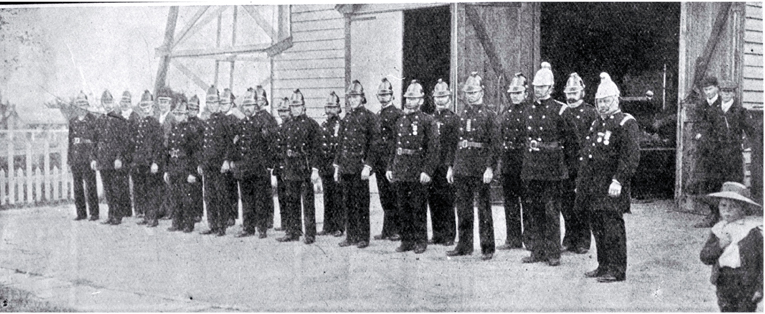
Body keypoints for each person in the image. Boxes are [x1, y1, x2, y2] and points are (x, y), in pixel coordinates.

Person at [578, 72, 640, 283]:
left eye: (606, 101)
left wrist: (619, 180)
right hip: (595, 186)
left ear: (616, 100)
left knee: (613, 227)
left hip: (612, 185)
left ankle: (617, 269)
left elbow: (630, 157)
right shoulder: (597, 124)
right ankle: (603, 265)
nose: (603, 105)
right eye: (599, 101)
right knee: (598, 226)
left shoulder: (625, 123)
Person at [520, 63, 578, 266]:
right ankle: (537, 250)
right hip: (533, 167)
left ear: (551, 88)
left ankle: (553, 253)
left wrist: (570, 170)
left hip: (553, 168)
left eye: (542, 87)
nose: (538, 90)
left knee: (551, 211)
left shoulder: (561, 110)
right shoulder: (529, 109)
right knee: (534, 210)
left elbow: (572, 143)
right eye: (536, 87)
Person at [445, 72, 498, 261]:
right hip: (462, 166)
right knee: (463, 209)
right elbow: (454, 144)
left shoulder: (490, 116)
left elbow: (494, 145)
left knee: (484, 209)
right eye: (468, 93)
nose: (470, 96)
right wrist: (451, 166)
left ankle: (487, 247)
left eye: (474, 92)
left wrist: (490, 168)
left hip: (480, 168)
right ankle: (464, 245)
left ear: (482, 92)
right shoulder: (462, 115)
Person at [693, 78, 757, 228]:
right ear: (719, 92)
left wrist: (743, 144)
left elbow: (752, 132)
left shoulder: (740, 111)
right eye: (723, 92)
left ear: (734, 94)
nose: (726, 95)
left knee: (733, 185)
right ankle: (714, 215)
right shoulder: (714, 111)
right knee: (714, 184)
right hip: (715, 155)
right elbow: (706, 130)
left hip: (732, 155)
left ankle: (734, 217)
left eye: (729, 92)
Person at [386, 80, 439, 254]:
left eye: (413, 98)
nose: (409, 101)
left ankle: (420, 241)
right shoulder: (399, 120)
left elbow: (433, 149)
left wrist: (427, 170)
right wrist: (389, 167)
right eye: (408, 98)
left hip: (417, 169)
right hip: (401, 167)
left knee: (418, 207)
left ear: (421, 100)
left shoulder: (427, 120)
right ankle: (406, 240)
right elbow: (394, 146)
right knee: (402, 207)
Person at [700, 181, 763, 312]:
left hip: (746, 282)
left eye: (733, 206)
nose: (727, 210)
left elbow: (762, 262)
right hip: (724, 280)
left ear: (743, 209)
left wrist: (760, 287)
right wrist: (719, 245)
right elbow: (705, 257)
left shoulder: (752, 232)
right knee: (726, 309)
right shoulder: (717, 230)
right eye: (723, 205)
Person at [335, 80, 381, 249]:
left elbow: (374, 144)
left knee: (361, 204)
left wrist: (368, 166)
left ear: (362, 98)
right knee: (347, 202)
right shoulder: (346, 118)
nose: (352, 100)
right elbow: (340, 143)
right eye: (350, 97)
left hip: (360, 167)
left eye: (356, 97)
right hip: (346, 166)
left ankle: (363, 237)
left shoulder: (369, 117)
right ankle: (351, 236)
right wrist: (337, 166)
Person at [277, 89, 322, 244]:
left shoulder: (311, 125)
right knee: (291, 201)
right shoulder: (286, 126)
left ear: (304, 106)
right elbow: (282, 148)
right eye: (293, 106)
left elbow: (317, 150)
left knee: (307, 202)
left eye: (298, 106)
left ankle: (310, 234)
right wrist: (283, 167)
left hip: (305, 168)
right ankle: (293, 232)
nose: (295, 109)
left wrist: (315, 170)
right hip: (290, 168)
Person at [231, 87, 277, 239]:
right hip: (244, 168)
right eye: (245, 106)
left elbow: (270, 144)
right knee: (246, 199)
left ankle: (262, 228)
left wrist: (269, 164)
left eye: (250, 106)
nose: (247, 108)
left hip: (259, 168)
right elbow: (236, 145)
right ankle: (248, 227)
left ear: (256, 107)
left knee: (260, 199)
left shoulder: (262, 121)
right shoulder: (242, 124)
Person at [560, 73, 599, 254]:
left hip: (583, 164)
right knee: (566, 204)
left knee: (582, 203)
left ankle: (584, 239)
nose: (571, 95)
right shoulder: (561, 111)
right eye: (569, 91)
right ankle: (569, 237)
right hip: (564, 164)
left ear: (583, 92)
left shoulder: (591, 112)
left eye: (575, 91)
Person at [494, 73, 531, 250]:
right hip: (509, 162)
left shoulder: (531, 112)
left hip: (524, 162)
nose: (515, 96)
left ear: (526, 93)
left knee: (528, 201)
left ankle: (529, 238)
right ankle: (513, 238)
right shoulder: (505, 113)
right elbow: (500, 138)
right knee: (510, 202)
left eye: (518, 92)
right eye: (512, 93)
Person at [198, 85, 235, 236]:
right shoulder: (207, 121)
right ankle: (212, 224)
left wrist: (226, 160)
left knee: (221, 196)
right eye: (209, 103)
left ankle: (221, 226)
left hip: (220, 165)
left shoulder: (224, 120)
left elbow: (230, 143)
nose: (212, 106)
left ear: (219, 104)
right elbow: (203, 145)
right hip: (208, 165)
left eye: (214, 103)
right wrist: (201, 163)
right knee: (209, 196)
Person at [92, 89, 133, 225]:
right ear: (102, 104)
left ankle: (117, 215)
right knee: (107, 189)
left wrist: (119, 158)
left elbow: (124, 142)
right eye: (105, 102)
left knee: (116, 189)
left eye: (110, 102)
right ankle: (110, 215)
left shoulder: (119, 120)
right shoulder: (99, 120)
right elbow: (95, 141)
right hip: (103, 160)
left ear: (113, 103)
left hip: (114, 161)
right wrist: (94, 158)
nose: (108, 105)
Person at [165, 96, 203, 233]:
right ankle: (176, 222)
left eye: (180, 114)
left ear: (186, 114)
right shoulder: (173, 130)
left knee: (187, 198)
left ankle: (188, 224)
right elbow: (168, 152)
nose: (178, 116)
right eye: (176, 114)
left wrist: (192, 173)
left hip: (186, 169)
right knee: (175, 197)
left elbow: (195, 154)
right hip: (174, 167)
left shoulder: (191, 130)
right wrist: (167, 170)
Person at [428, 79, 459, 246]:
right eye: (437, 97)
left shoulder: (454, 120)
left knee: (447, 200)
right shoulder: (429, 119)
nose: (440, 100)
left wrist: (451, 166)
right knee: (433, 200)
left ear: (449, 98)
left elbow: (455, 146)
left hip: (446, 166)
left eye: (443, 96)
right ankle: (437, 234)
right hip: (432, 166)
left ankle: (449, 235)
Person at [374, 78, 403, 242]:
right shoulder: (378, 114)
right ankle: (387, 230)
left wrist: (392, 163)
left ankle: (397, 230)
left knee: (393, 197)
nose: (383, 97)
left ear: (392, 95)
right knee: (384, 196)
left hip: (391, 162)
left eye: (386, 94)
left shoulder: (397, 114)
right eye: (381, 95)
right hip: (379, 162)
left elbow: (397, 140)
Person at [132, 90, 165, 228]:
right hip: (142, 163)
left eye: (148, 106)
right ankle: (147, 216)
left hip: (151, 163)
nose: (145, 109)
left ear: (152, 107)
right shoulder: (142, 123)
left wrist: (156, 162)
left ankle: (153, 218)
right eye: (143, 106)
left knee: (152, 191)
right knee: (144, 190)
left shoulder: (155, 124)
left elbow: (159, 145)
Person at [69, 91, 100, 221]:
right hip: (76, 158)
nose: (81, 106)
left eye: (84, 103)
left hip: (88, 157)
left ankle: (94, 213)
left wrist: (94, 158)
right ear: (76, 105)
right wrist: (69, 159)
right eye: (79, 103)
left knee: (91, 185)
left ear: (87, 105)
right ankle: (81, 213)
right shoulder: (73, 121)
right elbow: (70, 141)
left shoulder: (93, 120)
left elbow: (96, 141)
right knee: (77, 186)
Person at [318, 91, 345, 237]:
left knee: (338, 197)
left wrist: (338, 166)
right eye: (327, 107)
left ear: (338, 108)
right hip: (325, 165)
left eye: (332, 107)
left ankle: (339, 227)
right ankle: (327, 226)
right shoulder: (323, 125)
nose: (329, 110)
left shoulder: (341, 124)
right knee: (327, 196)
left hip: (336, 165)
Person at [220, 88, 241, 227]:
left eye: (225, 102)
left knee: (230, 188)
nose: (222, 105)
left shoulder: (234, 120)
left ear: (232, 104)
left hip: (229, 159)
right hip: (219, 158)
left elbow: (235, 142)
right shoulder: (219, 118)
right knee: (222, 188)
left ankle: (231, 216)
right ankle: (224, 214)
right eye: (221, 102)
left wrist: (230, 159)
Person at [157, 87, 177, 221]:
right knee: (160, 182)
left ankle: (170, 211)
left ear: (170, 104)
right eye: (161, 101)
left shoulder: (172, 118)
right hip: (158, 154)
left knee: (168, 182)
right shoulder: (157, 117)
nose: (163, 104)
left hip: (168, 153)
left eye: (165, 102)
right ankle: (162, 209)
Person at [186, 95, 206, 222]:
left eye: (194, 109)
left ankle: (198, 213)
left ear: (198, 110)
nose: (191, 111)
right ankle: (189, 212)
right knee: (186, 187)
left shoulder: (201, 125)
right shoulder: (184, 123)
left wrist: (201, 162)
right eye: (189, 109)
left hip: (196, 158)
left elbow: (203, 144)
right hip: (186, 158)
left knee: (196, 186)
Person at [274, 97, 292, 231]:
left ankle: (291, 225)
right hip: (280, 166)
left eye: (285, 111)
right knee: (281, 196)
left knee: (290, 196)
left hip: (290, 167)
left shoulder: (291, 126)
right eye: (280, 111)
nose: (282, 114)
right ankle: (285, 223)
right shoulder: (280, 126)